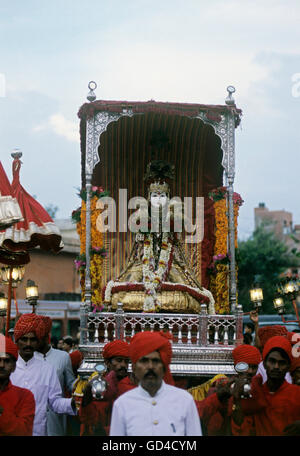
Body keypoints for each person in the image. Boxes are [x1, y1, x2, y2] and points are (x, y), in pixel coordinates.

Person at [103, 160, 215, 314]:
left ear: (168, 197)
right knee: (122, 293)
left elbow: (178, 238)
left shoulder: (174, 216)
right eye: (155, 195)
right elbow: (138, 240)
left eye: (162, 195)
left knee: (188, 292)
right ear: (149, 198)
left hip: (168, 261)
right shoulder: (142, 216)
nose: (158, 199)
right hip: (144, 261)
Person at [110, 331, 202, 436]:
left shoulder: (184, 401)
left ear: (164, 367)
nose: (150, 366)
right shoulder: (122, 404)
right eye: (144, 361)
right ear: (134, 368)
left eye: (155, 361)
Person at [10, 313, 77, 436]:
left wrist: (74, 403)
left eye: (33, 339)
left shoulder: (47, 369)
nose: (28, 344)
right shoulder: (8, 367)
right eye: (24, 339)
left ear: (38, 341)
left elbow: (55, 402)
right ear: (17, 340)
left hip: (38, 431)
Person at [231, 336, 300, 436]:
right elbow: (242, 430)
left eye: (282, 363)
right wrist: (237, 400)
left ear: (288, 366)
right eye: (272, 361)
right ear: (264, 364)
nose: (276, 367)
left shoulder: (297, 394)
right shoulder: (255, 394)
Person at [196, 344, 261, 436]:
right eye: (246, 367)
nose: (250, 371)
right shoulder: (222, 388)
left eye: (254, 367)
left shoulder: (260, 389)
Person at [79, 340, 135, 435]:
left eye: (126, 361)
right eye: (119, 360)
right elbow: (89, 418)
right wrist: (87, 394)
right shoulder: (99, 384)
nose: (123, 365)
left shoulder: (132, 386)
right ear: (107, 363)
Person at [34, 316, 76, 436]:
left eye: (38, 337)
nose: (34, 341)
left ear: (46, 336)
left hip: (56, 417)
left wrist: (81, 385)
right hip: (34, 418)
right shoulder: (29, 358)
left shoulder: (62, 357)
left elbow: (70, 384)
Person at [0, 334, 35, 436]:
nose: (1, 365)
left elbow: (24, 431)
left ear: (14, 366)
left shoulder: (25, 396)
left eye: (6, 361)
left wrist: (2, 413)